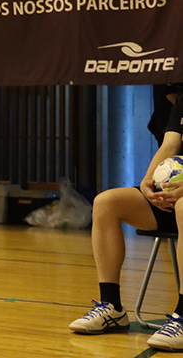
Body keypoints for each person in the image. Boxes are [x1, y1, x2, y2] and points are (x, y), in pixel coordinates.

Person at [69, 93, 183, 352]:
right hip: (173, 196)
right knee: (106, 202)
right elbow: (169, 147)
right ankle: (112, 307)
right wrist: (148, 181)